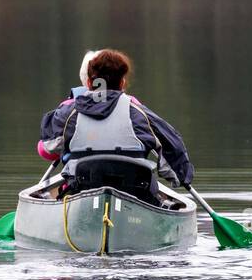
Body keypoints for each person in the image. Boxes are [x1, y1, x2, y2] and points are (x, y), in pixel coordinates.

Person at [38, 48, 193, 201]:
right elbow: (175, 153)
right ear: (122, 83)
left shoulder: (67, 113)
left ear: (89, 82)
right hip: (135, 194)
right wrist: (180, 178)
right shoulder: (140, 114)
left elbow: (46, 149)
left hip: (81, 193)